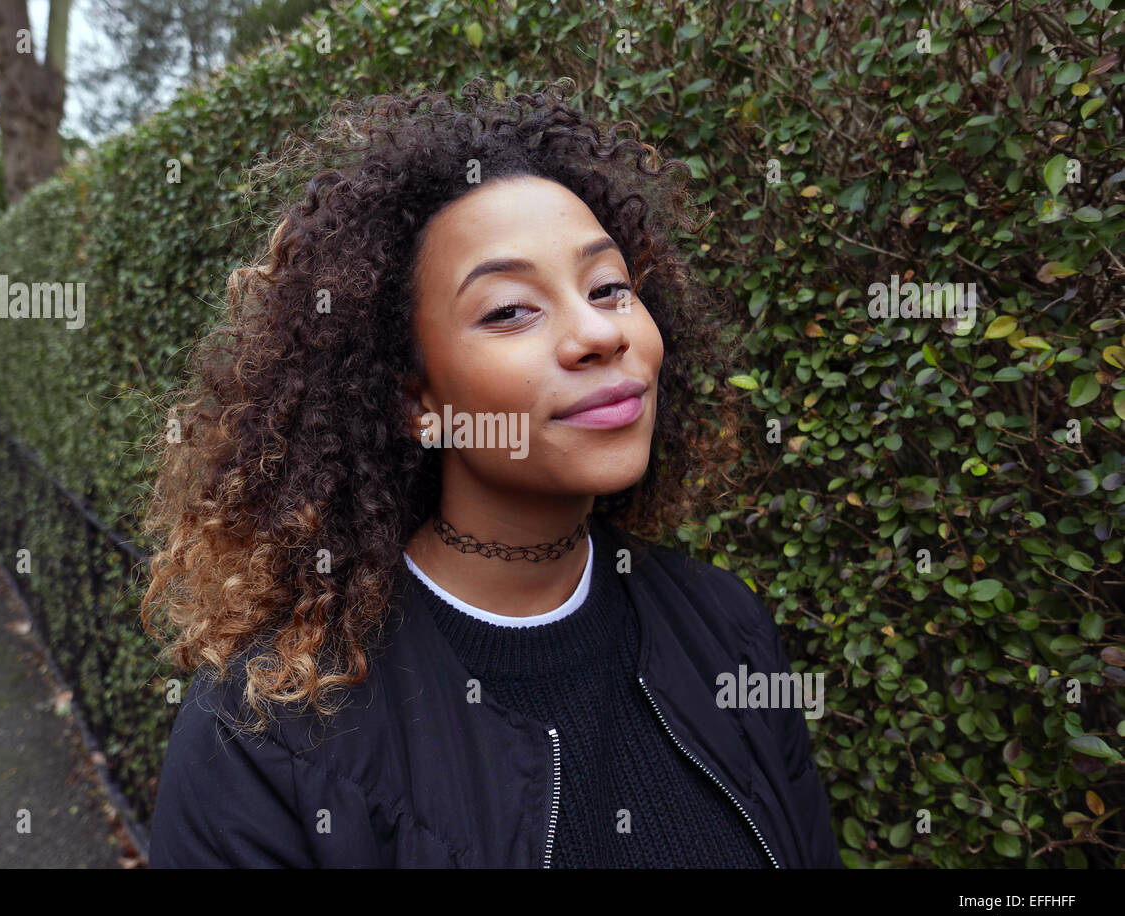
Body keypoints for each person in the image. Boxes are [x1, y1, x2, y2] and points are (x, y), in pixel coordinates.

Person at [140, 77, 843, 868]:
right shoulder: (265, 736)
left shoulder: (726, 628)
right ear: (416, 400)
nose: (596, 334)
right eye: (510, 310)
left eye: (610, 288)